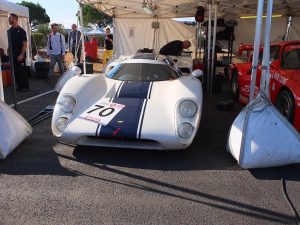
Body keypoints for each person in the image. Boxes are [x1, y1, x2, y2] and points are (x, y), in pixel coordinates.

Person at [7, 13, 29, 92]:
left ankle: (25, 87)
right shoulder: (9, 31)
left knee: (22, 71)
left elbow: (25, 44)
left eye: (10, 18)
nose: (8, 19)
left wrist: (21, 55)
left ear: (15, 19)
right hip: (13, 55)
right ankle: (19, 86)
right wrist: (8, 50)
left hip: (20, 56)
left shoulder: (21, 31)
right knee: (15, 72)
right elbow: (10, 43)